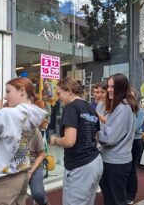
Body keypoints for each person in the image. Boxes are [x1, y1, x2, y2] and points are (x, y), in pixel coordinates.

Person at [0, 77, 47, 205]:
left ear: (21, 91)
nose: (4, 96)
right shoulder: (32, 116)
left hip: (3, 178)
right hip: (22, 173)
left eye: (8, 91)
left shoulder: (6, 114)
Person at [50, 77, 103, 205]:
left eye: (59, 93)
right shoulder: (91, 108)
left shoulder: (71, 107)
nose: (58, 97)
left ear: (69, 91)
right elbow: (96, 136)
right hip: (95, 162)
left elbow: (69, 141)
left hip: (80, 165)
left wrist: (55, 140)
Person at [99, 73, 138, 205]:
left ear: (121, 88)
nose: (109, 89)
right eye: (108, 86)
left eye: (112, 87)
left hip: (115, 162)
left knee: (115, 200)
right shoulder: (123, 106)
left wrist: (94, 133)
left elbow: (110, 137)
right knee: (113, 198)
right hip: (116, 160)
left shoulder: (122, 107)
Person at [126, 89, 144, 205]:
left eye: (131, 97)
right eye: (127, 96)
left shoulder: (140, 111)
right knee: (126, 168)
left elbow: (135, 127)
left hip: (135, 142)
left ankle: (131, 195)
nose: (129, 99)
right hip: (125, 142)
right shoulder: (123, 109)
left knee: (132, 169)